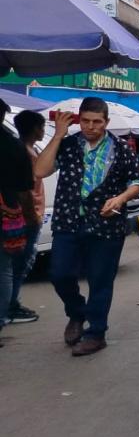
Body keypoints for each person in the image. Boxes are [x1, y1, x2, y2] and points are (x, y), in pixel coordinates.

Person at [35, 98, 139, 355]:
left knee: (100, 280)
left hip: (106, 226)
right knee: (60, 274)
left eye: (97, 122)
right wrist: (59, 135)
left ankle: (96, 332)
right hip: (68, 221)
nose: (90, 126)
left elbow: (138, 181)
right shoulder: (68, 145)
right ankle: (76, 313)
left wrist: (120, 198)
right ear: (79, 120)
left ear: (106, 123)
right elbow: (40, 171)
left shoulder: (120, 149)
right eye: (85, 120)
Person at [0, 99, 38, 345]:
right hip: (8, 214)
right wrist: (31, 218)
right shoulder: (13, 146)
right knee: (4, 270)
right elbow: (26, 191)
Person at [9, 110, 47, 324]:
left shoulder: (27, 150)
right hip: (27, 216)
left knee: (19, 263)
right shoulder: (26, 154)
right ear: (35, 129)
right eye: (41, 127)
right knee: (20, 263)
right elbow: (26, 190)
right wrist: (32, 215)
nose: (43, 131)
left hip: (27, 215)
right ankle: (11, 305)